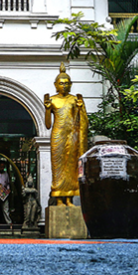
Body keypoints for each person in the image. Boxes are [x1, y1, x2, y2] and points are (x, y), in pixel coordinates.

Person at [44, 63, 88, 206]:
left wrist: (81, 109)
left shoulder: (75, 100)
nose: (63, 86)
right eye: (61, 83)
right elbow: (48, 125)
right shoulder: (53, 100)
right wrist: (47, 109)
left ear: (71, 84)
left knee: (71, 167)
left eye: (66, 83)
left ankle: (69, 198)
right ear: (55, 85)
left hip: (72, 136)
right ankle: (58, 198)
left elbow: (83, 122)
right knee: (58, 167)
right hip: (58, 135)